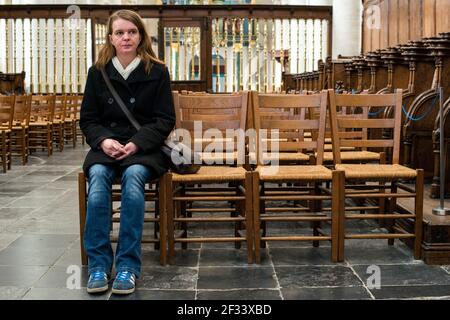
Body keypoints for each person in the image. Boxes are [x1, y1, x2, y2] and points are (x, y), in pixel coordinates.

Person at [80, 9, 175, 295]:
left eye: (132, 32)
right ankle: (98, 264)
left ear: (141, 36)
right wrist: (104, 141)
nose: (126, 37)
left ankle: (127, 267)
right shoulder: (98, 72)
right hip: (106, 147)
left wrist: (137, 143)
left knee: (134, 179)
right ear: (110, 37)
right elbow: (88, 119)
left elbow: (164, 119)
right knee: (97, 178)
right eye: (120, 32)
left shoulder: (157, 70)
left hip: (143, 148)